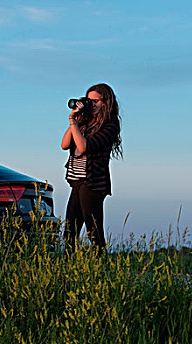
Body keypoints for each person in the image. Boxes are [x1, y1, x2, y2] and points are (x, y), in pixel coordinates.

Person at [61, 83, 123, 256]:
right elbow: (64, 145)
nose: (92, 104)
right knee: (70, 230)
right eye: (89, 100)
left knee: (93, 229)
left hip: (93, 182)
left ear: (105, 102)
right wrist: (76, 119)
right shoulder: (83, 122)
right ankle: (68, 267)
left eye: (95, 101)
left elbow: (83, 148)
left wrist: (74, 123)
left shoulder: (110, 126)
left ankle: (100, 265)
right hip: (77, 181)